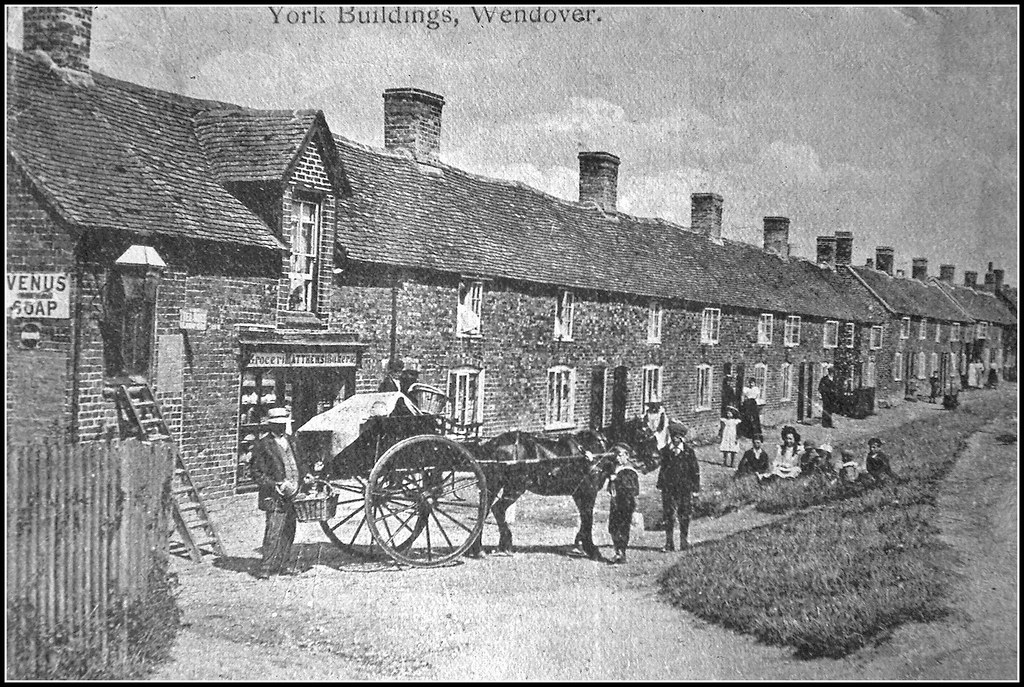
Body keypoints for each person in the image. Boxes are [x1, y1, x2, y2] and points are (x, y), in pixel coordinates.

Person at [250, 407, 322, 579]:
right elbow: (256, 473)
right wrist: (274, 485)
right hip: (274, 495)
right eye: (278, 425)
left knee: (289, 530)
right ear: (271, 426)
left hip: (293, 493)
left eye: (283, 424)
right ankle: (265, 568)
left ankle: (284, 564)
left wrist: (307, 475)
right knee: (274, 531)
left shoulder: (292, 441)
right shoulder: (263, 445)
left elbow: (301, 462)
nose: (281, 428)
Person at [658, 422, 700, 552]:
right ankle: (669, 542)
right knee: (668, 515)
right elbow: (663, 468)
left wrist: (695, 489)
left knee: (684, 514)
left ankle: (683, 541)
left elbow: (695, 471)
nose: (675, 439)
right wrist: (661, 484)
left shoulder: (688, 452)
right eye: (673, 437)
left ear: (682, 437)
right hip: (669, 488)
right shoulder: (665, 451)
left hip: (684, 488)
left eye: (678, 437)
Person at [606, 446, 640, 565]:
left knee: (623, 527)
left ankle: (622, 553)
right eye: (616, 455)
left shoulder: (629, 470)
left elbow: (631, 488)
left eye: (620, 455)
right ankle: (617, 551)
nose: (618, 458)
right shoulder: (615, 468)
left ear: (627, 456)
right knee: (613, 527)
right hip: (615, 502)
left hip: (626, 503)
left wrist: (617, 479)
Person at [644, 395, 672, 464]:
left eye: (655, 405)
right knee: (646, 438)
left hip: (661, 431)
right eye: (652, 405)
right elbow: (645, 421)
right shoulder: (648, 412)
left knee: (658, 439)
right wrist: (647, 429)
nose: (653, 407)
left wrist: (655, 432)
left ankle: (660, 455)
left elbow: (661, 425)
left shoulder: (661, 413)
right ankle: (650, 456)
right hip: (651, 430)